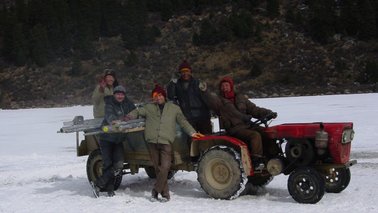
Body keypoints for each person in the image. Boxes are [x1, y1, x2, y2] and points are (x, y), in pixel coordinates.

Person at [127, 84, 203, 202]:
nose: (158, 97)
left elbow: (183, 122)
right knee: (158, 169)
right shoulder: (149, 107)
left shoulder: (173, 108)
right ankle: (165, 194)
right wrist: (129, 116)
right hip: (152, 142)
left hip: (166, 142)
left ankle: (155, 191)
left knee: (165, 167)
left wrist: (192, 133)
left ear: (164, 96)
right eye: (156, 96)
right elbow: (137, 111)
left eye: (160, 95)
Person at [199, 77, 277, 169]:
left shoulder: (240, 97)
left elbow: (253, 109)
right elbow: (211, 99)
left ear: (231, 86)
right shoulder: (219, 101)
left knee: (267, 132)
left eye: (227, 85)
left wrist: (268, 113)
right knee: (255, 136)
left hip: (248, 125)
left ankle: (272, 155)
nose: (224, 87)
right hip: (234, 129)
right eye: (222, 86)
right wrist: (204, 91)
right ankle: (256, 161)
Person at [91, 85, 136, 197]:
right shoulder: (109, 103)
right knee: (108, 164)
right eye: (118, 94)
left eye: (122, 94)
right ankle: (109, 189)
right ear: (114, 95)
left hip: (118, 139)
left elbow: (135, 110)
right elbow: (109, 115)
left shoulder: (127, 103)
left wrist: (131, 116)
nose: (120, 96)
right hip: (106, 138)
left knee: (118, 165)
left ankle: (97, 184)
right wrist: (114, 121)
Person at [166, 60, 212, 134]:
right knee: (192, 140)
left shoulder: (197, 82)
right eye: (182, 72)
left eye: (187, 71)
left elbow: (206, 97)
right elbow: (170, 96)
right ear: (180, 73)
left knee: (207, 138)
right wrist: (171, 85)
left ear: (190, 72)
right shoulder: (176, 84)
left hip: (203, 116)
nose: (185, 73)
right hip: (188, 118)